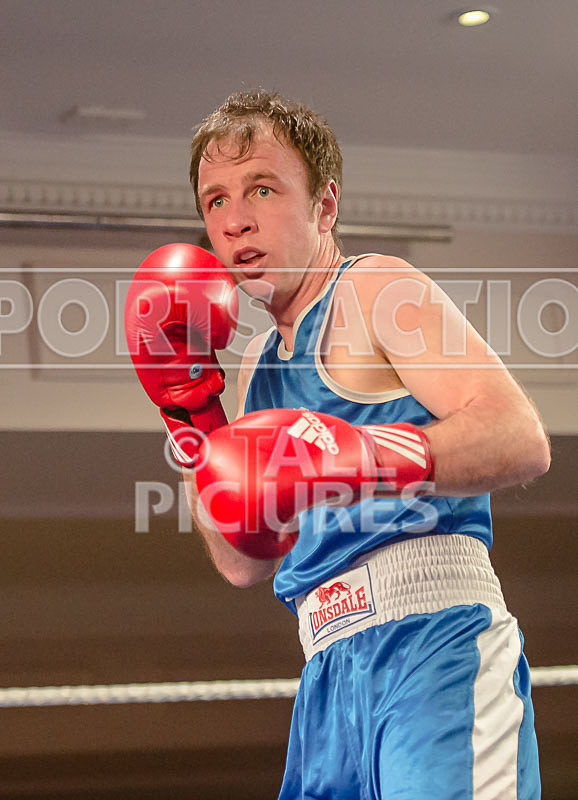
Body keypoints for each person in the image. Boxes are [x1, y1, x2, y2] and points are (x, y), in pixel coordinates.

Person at [124, 90, 551, 799]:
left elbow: (519, 436)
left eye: (262, 188)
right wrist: (190, 416)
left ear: (324, 205)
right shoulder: (255, 367)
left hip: (433, 644)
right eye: (215, 200)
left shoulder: (376, 289)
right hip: (325, 672)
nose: (235, 220)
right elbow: (241, 563)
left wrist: (358, 456)